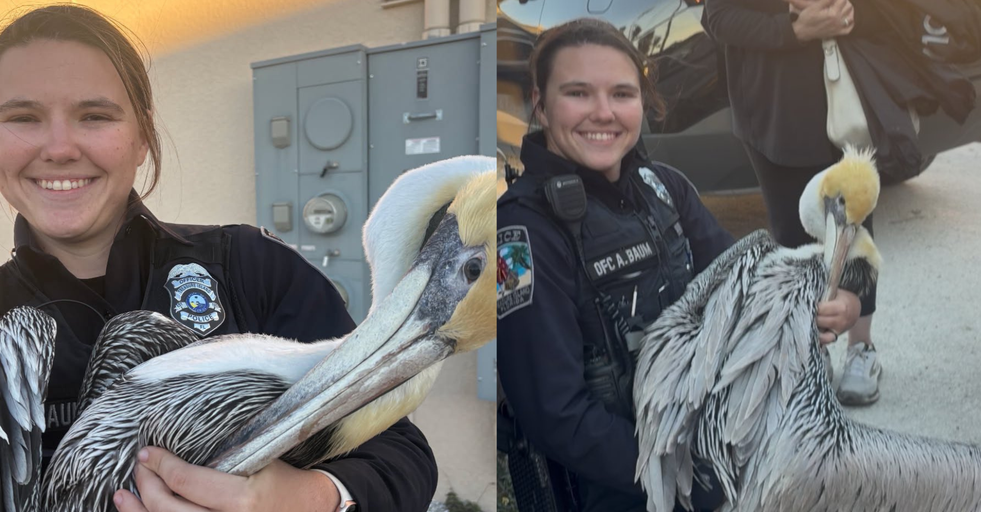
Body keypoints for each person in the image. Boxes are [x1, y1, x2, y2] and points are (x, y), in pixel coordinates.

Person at [0, 5, 435, 512]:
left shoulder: (252, 267)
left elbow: (399, 453)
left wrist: (306, 499)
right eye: (22, 118)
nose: (59, 147)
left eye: (95, 116)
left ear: (142, 137)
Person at [496, 18, 861, 512]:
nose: (603, 112)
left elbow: (749, 281)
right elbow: (556, 415)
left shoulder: (663, 186)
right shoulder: (522, 233)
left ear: (643, 102)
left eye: (622, 94)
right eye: (578, 93)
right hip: (620, 490)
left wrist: (821, 300)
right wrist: (689, 474)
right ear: (540, 102)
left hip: (714, 465)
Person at [703, 0, 884, 405]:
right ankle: (810, 350)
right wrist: (794, 28)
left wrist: (849, 13)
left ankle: (862, 349)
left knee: (855, 231)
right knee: (791, 236)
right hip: (770, 111)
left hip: (848, 96)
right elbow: (717, 17)